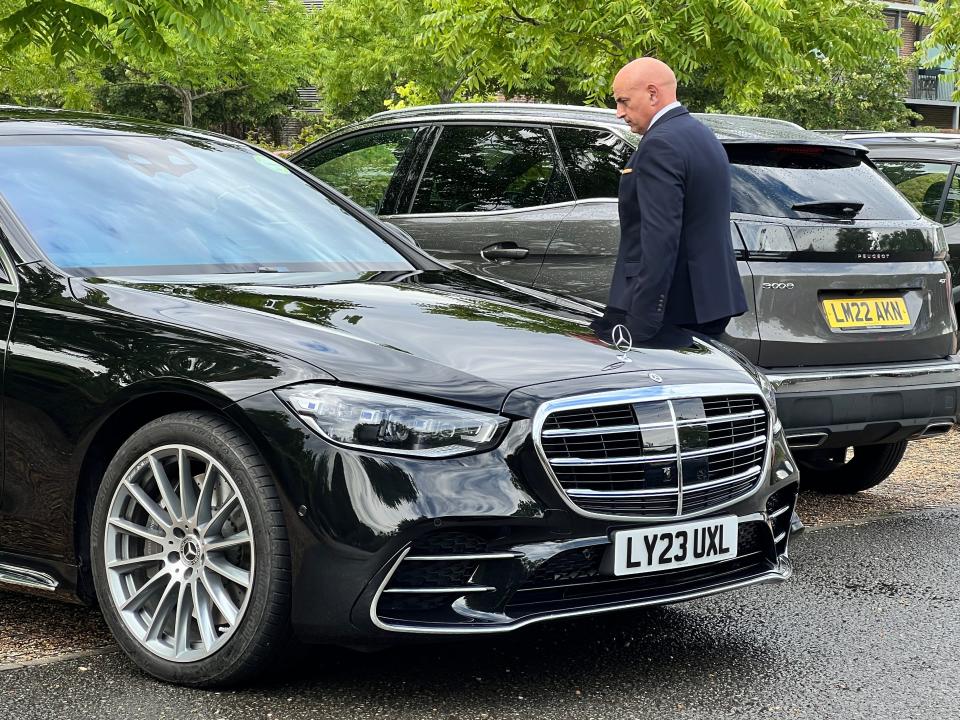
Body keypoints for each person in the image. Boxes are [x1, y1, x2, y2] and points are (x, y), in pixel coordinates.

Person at [591, 57, 747, 344]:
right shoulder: (701, 135)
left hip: (671, 310)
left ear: (652, 93)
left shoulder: (660, 144)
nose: (618, 113)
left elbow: (660, 238)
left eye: (624, 101)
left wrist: (640, 322)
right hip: (708, 303)